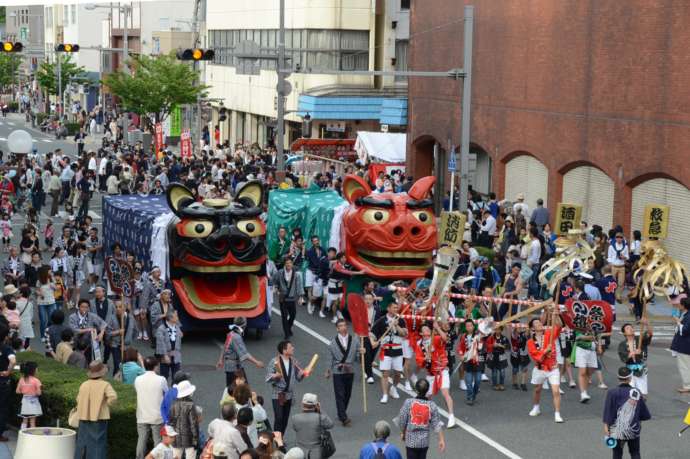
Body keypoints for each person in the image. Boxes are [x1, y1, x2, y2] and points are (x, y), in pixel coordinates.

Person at [414, 322, 456, 428]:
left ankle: (451, 417)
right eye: (424, 329)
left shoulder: (435, 339)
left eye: (428, 329)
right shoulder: (419, 345)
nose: (427, 330)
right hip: (431, 373)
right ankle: (431, 418)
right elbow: (419, 361)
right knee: (427, 396)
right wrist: (425, 358)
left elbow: (445, 339)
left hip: (442, 370)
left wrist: (438, 327)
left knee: (445, 392)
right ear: (421, 333)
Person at [603, 367, 651, 459]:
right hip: (633, 428)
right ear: (630, 378)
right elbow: (643, 413)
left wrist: (606, 425)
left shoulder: (612, 392)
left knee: (617, 453)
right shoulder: (636, 392)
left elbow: (609, 410)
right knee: (635, 452)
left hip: (616, 430)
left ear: (618, 378)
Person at [74, 361, 118, 459]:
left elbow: (78, 399)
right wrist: (104, 404)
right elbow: (113, 398)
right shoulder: (105, 384)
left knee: (82, 443)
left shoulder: (84, 384)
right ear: (102, 373)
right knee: (98, 445)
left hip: (83, 417)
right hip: (99, 417)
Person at [526, 309, 564, 423]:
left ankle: (557, 413)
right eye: (536, 323)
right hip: (540, 368)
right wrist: (545, 351)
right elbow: (536, 357)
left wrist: (556, 316)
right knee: (537, 389)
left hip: (553, 368)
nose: (539, 324)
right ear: (533, 329)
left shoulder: (549, 334)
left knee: (556, 391)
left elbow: (559, 326)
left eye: (540, 322)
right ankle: (536, 407)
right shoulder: (530, 342)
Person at [266, 340, 310, 435]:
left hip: (289, 395)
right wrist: (275, 376)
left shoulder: (294, 361)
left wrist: (303, 374)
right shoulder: (274, 361)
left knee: (285, 419)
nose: (293, 348)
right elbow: (268, 377)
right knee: (279, 417)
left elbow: (298, 378)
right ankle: (276, 440)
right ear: (284, 350)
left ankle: (280, 438)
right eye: (290, 347)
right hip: (278, 394)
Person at [397, 379, 445, 459]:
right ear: (427, 390)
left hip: (410, 441)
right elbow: (437, 424)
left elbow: (402, 420)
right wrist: (441, 440)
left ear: (416, 389)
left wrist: (403, 432)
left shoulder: (408, 402)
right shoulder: (431, 405)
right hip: (424, 442)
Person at [370, 301, 407, 404]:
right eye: (394, 308)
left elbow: (404, 334)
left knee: (398, 373)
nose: (396, 309)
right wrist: (373, 342)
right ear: (388, 309)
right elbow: (372, 333)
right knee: (385, 373)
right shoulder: (382, 320)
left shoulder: (401, 320)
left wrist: (397, 326)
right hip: (386, 350)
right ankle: (385, 394)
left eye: (397, 308)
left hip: (398, 350)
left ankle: (394, 388)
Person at [325, 319, 360, 426]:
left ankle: (341, 412)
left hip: (350, 369)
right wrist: (328, 370)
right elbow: (329, 358)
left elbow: (357, 359)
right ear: (337, 328)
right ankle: (344, 418)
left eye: (344, 325)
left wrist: (362, 353)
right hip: (338, 370)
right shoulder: (332, 343)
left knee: (347, 394)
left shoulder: (354, 341)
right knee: (339, 394)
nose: (343, 327)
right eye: (340, 326)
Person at [217, 317, 265, 391]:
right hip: (235, 368)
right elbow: (244, 354)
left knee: (232, 391)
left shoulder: (231, 333)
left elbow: (225, 347)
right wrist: (257, 362)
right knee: (242, 390)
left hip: (231, 366)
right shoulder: (236, 337)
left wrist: (221, 360)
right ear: (244, 325)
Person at [135, 356, 169, 459]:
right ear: (155, 366)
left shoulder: (138, 379)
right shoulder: (161, 379)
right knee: (158, 441)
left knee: (141, 440)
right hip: (157, 416)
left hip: (142, 414)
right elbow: (167, 394)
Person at [290, 393, 334, 459]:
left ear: (303, 404)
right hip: (316, 452)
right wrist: (320, 410)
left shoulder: (295, 418)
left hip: (300, 451)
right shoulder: (321, 418)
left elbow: (295, 428)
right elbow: (330, 424)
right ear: (316, 405)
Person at [271, 257, 305, 339]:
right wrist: (275, 288)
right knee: (284, 316)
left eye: (290, 263)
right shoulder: (280, 273)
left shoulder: (296, 275)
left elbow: (299, 286)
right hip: (283, 298)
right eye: (287, 263)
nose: (288, 264)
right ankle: (286, 334)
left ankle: (288, 327)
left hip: (292, 298)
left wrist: (301, 297)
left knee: (293, 315)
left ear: (292, 264)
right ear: (284, 264)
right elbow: (274, 281)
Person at [618, 319, 653, 396]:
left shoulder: (640, 339)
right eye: (627, 328)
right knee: (630, 393)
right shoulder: (622, 344)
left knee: (642, 394)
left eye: (631, 327)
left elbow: (650, 334)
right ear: (624, 333)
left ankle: (641, 405)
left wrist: (647, 324)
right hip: (629, 371)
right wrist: (632, 353)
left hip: (641, 369)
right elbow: (623, 357)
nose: (630, 329)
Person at [169, 380, 201, 459]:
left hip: (175, 438)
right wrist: (196, 439)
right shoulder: (190, 405)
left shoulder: (173, 404)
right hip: (189, 438)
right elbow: (193, 424)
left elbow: (170, 422)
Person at [456, 319, 484, 405]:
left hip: (477, 360)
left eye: (470, 325)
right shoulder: (463, 336)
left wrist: (480, 341)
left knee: (478, 380)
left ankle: (473, 394)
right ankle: (469, 397)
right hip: (467, 361)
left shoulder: (478, 336)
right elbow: (460, 347)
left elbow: (480, 347)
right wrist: (461, 355)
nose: (469, 327)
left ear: (473, 326)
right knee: (468, 381)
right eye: (467, 326)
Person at [156, 310, 183, 382]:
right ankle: (163, 392)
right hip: (166, 355)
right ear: (171, 318)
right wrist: (164, 355)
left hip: (176, 354)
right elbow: (160, 343)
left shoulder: (177, 327)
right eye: (176, 316)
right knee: (164, 377)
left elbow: (180, 335)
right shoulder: (161, 328)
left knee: (177, 376)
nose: (177, 318)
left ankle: (174, 392)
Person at [0, 325, 16, 442]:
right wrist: (8, 371)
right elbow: (13, 360)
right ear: (5, 337)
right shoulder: (6, 348)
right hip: (3, 382)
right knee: (3, 408)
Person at [671, 297, 690, 394]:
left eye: (680, 304)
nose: (679, 305)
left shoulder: (688, 316)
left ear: (683, 305)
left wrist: (678, 322)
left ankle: (687, 386)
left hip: (685, 346)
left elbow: (686, 330)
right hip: (685, 345)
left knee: (684, 366)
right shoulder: (686, 314)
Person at [16, 361, 42, 430]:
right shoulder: (36, 380)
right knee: (32, 422)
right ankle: (32, 437)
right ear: (33, 370)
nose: (37, 370)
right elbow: (39, 393)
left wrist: (25, 391)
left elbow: (17, 391)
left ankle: (22, 435)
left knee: (24, 420)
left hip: (24, 401)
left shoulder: (21, 379)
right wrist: (33, 392)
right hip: (33, 402)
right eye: (36, 368)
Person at [607, 232, 629, 304]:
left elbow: (627, 257)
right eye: (617, 237)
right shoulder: (611, 246)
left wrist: (624, 257)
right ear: (615, 238)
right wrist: (610, 263)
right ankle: (612, 295)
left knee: (621, 283)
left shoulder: (625, 247)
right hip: (614, 266)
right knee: (612, 282)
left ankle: (618, 296)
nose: (619, 239)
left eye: (620, 237)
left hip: (622, 267)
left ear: (622, 238)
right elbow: (609, 256)